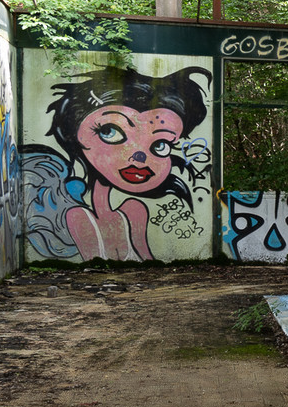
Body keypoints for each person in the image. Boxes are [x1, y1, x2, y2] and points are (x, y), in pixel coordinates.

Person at [28, 65, 211, 262]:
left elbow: (148, 261)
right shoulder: (78, 216)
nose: (140, 156)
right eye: (110, 131)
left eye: (160, 144)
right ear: (74, 133)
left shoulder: (135, 210)